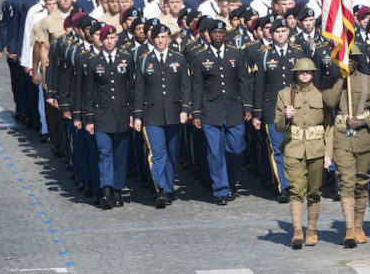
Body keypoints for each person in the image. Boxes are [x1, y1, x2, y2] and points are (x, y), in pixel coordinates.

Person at [322, 45, 370, 247]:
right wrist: (340, 79)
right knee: (346, 181)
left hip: (363, 137)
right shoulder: (331, 82)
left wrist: (363, 122)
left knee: (361, 182)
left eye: (353, 58)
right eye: (346, 58)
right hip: (342, 138)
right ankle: (349, 230)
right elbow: (329, 102)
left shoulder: (369, 81)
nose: (350, 62)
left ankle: (359, 225)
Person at [191, 20, 253, 203]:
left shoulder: (236, 53)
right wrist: (196, 113)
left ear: (226, 34)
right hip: (210, 110)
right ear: (208, 34)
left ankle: (231, 182)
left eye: (221, 32)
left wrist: (248, 107)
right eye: (214, 32)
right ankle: (220, 190)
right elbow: (197, 86)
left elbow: (244, 81)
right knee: (215, 152)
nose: (218, 35)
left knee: (236, 149)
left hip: (234, 108)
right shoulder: (201, 56)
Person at [275, 58, 333, 249]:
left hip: (316, 149)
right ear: (296, 74)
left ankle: (312, 230)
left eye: (307, 72)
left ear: (313, 74)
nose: (304, 75)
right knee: (296, 190)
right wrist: (285, 116)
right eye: (300, 72)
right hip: (294, 147)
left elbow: (329, 127)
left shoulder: (322, 95)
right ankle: (298, 231)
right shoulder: (285, 95)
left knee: (315, 192)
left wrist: (328, 153)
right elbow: (278, 125)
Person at [132, 24, 191, 208]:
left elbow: (185, 86)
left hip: (174, 113)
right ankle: (161, 190)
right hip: (152, 115)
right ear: (152, 39)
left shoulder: (179, 59)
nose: (160, 40)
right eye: (157, 37)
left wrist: (185, 109)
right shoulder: (144, 60)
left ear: (169, 39)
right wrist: (137, 115)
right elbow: (138, 90)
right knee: (157, 154)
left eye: (164, 37)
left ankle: (169, 186)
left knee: (172, 154)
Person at [253, 18, 305, 202]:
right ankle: (284, 187)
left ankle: (297, 185)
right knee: (278, 150)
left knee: (297, 149)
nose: (281, 34)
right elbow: (258, 86)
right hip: (272, 110)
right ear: (271, 34)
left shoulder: (298, 52)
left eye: (283, 31)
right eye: (277, 32)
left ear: (288, 32)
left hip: (296, 107)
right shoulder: (264, 55)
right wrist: (257, 114)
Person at [81, 25, 134, 209]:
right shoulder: (93, 61)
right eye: (106, 39)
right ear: (101, 41)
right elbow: (88, 92)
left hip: (122, 114)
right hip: (101, 115)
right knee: (104, 153)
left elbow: (132, 88)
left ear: (117, 39)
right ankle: (106, 190)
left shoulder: (127, 58)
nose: (109, 42)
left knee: (120, 154)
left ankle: (118, 190)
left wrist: (134, 114)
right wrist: (88, 119)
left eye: (112, 38)